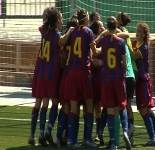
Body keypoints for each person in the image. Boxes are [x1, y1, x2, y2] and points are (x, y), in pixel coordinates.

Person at [28, 6, 72, 147]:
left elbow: (42, 28)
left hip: (39, 71)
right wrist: (71, 30)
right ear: (56, 21)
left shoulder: (44, 31)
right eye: (60, 19)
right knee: (52, 102)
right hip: (50, 73)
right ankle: (46, 131)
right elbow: (63, 40)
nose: (62, 21)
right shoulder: (56, 35)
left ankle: (34, 135)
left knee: (39, 102)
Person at [57, 9, 99, 149]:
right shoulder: (88, 32)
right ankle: (87, 138)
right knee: (89, 104)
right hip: (83, 70)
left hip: (72, 71)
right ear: (86, 18)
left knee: (73, 106)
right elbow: (94, 52)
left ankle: (71, 140)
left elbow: (62, 43)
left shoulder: (73, 31)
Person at [91, 16, 131, 150]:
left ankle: (113, 141)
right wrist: (123, 71)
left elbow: (95, 50)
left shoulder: (104, 41)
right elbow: (124, 64)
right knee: (122, 106)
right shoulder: (120, 42)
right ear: (116, 27)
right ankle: (125, 131)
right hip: (118, 78)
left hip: (106, 79)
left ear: (107, 28)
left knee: (109, 110)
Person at [131, 21, 155, 146]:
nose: (137, 33)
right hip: (139, 82)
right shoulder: (135, 44)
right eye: (136, 30)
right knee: (148, 110)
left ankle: (152, 138)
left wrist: (125, 44)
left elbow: (133, 56)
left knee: (144, 111)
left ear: (144, 35)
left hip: (144, 82)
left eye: (139, 31)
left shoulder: (144, 47)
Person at [54, 17, 78, 147]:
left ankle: (61, 136)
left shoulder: (64, 41)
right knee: (69, 107)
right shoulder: (76, 41)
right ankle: (64, 137)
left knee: (66, 107)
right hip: (71, 75)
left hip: (64, 75)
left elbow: (62, 55)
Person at [117, 11, 136, 146]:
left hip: (125, 73)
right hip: (132, 73)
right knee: (128, 104)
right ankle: (131, 132)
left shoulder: (120, 32)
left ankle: (124, 130)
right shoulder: (126, 31)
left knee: (120, 106)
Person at [90, 20, 105, 144]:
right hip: (97, 77)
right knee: (98, 106)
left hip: (98, 77)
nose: (104, 28)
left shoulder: (100, 40)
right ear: (98, 29)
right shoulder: (97, 41)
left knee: (98, 107)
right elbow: (93, 60)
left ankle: (97, 133)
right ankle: (98, 132)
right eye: (101, 26)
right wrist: (100, 62)